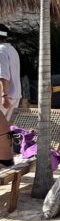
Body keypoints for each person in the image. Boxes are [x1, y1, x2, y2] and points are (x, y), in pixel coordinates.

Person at [0, 27, 21, 167]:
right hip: (14, 95)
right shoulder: (11, 49)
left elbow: (3, 75)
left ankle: (6, 161)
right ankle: (6, 161)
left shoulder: (0, 50)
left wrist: (3, 95)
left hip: (5, 96)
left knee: (2, 131)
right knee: (4, 131)